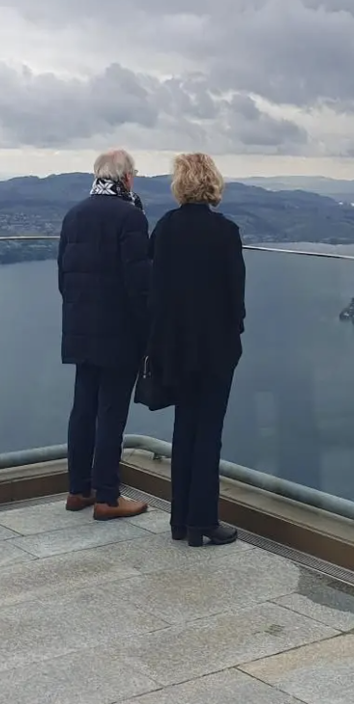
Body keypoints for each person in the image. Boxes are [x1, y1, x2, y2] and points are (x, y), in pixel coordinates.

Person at [148, 153, 246, 546]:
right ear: (213, 182)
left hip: (173, 348)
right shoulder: (225, 231)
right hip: (215, 349)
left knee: (184, 429)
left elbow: (155, 290)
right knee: (209, 433)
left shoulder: (165, 228)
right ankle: (203, 521)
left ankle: (180, 521)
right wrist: (233, 337)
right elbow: (234, 297)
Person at [58, 148, 151, 521]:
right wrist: (148, 331)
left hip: (80, 328)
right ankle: (108, 497)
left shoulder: (74, 214)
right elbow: (139, 284)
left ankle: (79, 488)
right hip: (118, 333)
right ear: (127, 177)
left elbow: (63, 275)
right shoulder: (130, 217)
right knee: (112, 412)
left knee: (83, 409)